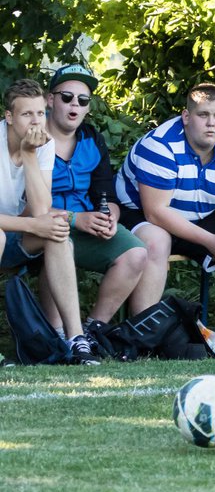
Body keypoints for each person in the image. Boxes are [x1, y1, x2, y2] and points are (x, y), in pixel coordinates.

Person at [117, 83, 215, 356]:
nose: (212, 123)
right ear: (186, 117)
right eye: (203, 115)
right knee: (156, 240)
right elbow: (156, 212)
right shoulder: (160, 145)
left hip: (200, 213)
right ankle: (143, 336)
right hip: (142, 212)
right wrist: (211, 241)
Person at [43, 64, 147, 334]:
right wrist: (75, 219)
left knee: (135, 253)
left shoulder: (92, 138)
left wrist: (110, 216)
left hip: (86, 225)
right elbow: (24, 203)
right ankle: (57, 335)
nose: (74, 104)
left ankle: (92, 330)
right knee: (57, 240)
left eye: (83, 100)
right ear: (49, 100)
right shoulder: (33, 136)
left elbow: (106, 194)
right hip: (40, 225)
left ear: (88, 107)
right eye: (66, 97)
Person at [1, 78, 98, 363]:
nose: (36, 122)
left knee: (57, 232)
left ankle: (76, 338)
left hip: (15, 236)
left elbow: (42, 210)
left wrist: (30, 155)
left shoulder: (43, 144)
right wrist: (31, 225)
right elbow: (35, 221)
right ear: (9, 117)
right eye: (26, 114)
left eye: (40, 113)